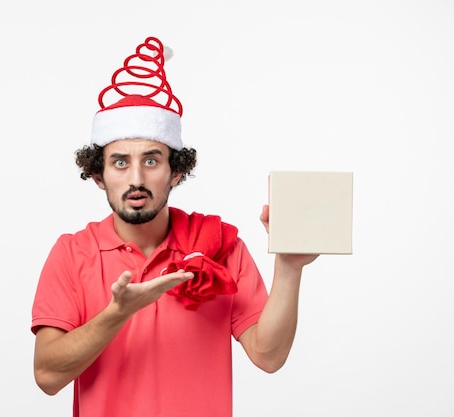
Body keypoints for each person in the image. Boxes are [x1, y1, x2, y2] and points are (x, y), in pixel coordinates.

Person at [31, 36, 319, 417]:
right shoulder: (72, 253)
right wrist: (118, 311)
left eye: (151, 161)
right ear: (98, 175)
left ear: (176, 172)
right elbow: (48, 375)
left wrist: (289, 266)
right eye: (119, 162)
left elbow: (268, 356)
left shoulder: (221, 243)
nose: (136, 178)